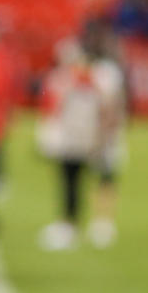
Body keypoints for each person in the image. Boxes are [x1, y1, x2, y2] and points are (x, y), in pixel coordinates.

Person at [36, 19, 127, 250]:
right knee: (70, 178)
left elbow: (113, 106)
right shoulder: (68, 72)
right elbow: (55, 101)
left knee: (104, 178)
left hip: (99, 134)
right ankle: (69, 224)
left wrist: (105, 135)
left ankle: (102, 223)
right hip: (75, 133)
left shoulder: (107, 72)